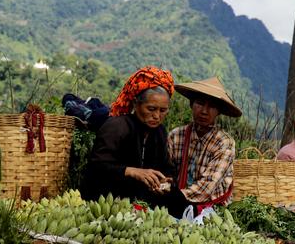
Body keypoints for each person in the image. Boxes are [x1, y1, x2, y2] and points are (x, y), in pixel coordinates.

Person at [81, 66, 176, 204]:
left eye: (163, 110)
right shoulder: (117, 127)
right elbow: (97, 167)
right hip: (107, 200)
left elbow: (166, 168)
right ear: (136, 104)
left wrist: (166, 182)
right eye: (151, 109)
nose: (156, 116)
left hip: (141, 201)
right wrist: (131, 171)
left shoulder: (159, 132)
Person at [168, 76, 242, 216]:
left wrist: (174, 196)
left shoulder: (224, 143)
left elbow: (207, 187)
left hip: (211, 208)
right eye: (200, 103)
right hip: (176, 201)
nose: (204, 111)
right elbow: (167, 173)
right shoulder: (176, 136)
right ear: (191, 104)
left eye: (212, 106)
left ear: (218, 111)